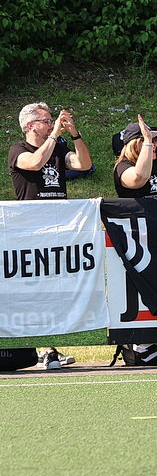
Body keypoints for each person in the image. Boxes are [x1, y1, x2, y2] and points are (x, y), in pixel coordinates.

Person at [9, 101, 92, 369]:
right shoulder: (18, 150)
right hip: (31, 231)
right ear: (30, 125)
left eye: (51, 120)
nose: (50, 123)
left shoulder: (57, 148)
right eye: (46, 120)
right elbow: (35, 163)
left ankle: (50, 346)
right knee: (36, 290)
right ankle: (44, 349)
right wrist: (55, 134)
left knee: (57, 289)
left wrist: (75, 134)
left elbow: (83, 164)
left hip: (59, 229)